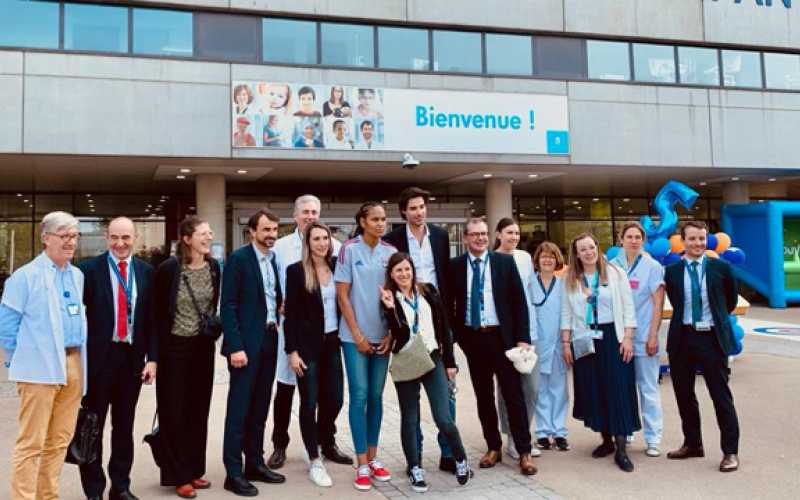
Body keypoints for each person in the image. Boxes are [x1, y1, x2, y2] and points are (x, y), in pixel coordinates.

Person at [0, 211, 87, 500]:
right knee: (32, 442)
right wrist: (20, 362)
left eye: (74, 236)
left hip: (73, 362)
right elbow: (7, 327)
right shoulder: (24, 277)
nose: (70, 242)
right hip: (38, 368)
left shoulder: (77, 276)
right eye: (64, 236)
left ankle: (48, 495)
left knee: (59, 440)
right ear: (46, 238)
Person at [447, 217, 537, 476]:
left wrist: (522, 338)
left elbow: (519, 302)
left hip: (502, 339)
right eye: (475, 234)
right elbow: (450, 306)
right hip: (474, 339)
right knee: (483, 397)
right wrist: (459, 338)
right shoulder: (455, 266)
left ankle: (524, 451)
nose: (480, 238)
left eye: (484, 234)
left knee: (514, 396)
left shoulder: (504, 263)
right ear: (465, 238)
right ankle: (493, 447)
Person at [78, 217, 157, 500]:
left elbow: (153, 321)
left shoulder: (147, 272)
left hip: (131, 360)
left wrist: (152, 359)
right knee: (93, 428)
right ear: (106, 238)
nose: (120, 243)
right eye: (114, 237)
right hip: (99, 360)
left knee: (124, 428)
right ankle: (94, 491)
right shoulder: (88, 270)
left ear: (135, 238)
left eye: (125, 237)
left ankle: (120, 486)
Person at [380, 253, 472, 493]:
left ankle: (460, 458)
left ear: (413, 270)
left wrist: (450, 363)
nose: (404, 274)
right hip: (407, 359)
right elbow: (399, 335)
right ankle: (415, 467)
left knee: (443, 417)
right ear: (391, 274)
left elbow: (444, 328)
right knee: (410, 418)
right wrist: (390, 309)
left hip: (432, 357)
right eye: (398, 271)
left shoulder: (428, 291)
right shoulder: (390, 298)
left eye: (407, 269)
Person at [268, 196, 348, 471]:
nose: (310, 216)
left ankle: (326, 441)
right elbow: (271, 280)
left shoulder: (335, 249)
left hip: (328, 337)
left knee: (330, 395)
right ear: (295, 215)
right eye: (305, 212)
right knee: (286, 389)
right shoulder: (281, 247)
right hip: (294, 332)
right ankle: (280, 444)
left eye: (315, 212)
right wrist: (277, 304)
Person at [383, 187, 455, 473]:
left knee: (445, 395)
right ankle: (416, 458)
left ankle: (449, 453)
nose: (419, 212)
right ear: (403, 212)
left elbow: (444, 275)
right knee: (410, 403)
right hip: (406, 321)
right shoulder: (392, 240)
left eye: (422, 207)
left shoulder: (440, 236)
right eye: (413, 208)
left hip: (434, 318)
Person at [664, 221, 740, 472]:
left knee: (720, 396)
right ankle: (693, 444)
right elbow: (676, 301)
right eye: (693, 239)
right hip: (683, 338)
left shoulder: (721, 268)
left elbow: (729, 301)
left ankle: (730, 452)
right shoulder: (672, 271)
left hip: (711, 338)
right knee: (684, 395)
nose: (698, 243)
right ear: (683, 241)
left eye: (701, 238)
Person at [560, 232, 640, 472]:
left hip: (613, 338)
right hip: (585, 338)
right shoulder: (570, 278)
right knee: (595, 389)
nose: (588, 252)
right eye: (582, 249)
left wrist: (628, 338)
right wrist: (566, 343)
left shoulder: (615, 273)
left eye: (591, 247)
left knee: (617, 389)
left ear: (597, 247)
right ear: (576, 254)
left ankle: (621, 448)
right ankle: (606, 440)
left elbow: (628, 307)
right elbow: (566, 313)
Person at [221, 209, 287, 497]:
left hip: (270, 338)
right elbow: (228, 305)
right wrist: (235, 346)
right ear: (252, 231)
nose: (271, 234)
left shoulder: (273, 260)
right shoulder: (239, 259)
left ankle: (255, 464)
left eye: (274, 229)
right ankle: (233, 472)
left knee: (260, 407)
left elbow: (269, 297)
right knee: (239, 410)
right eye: (266, 229)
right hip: (245, 346)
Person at [153, 216, 220, 498]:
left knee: (198, 410)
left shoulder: (214, 267)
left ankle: (194, 469)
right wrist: (153, 356)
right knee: (174, 412)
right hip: (174, 350)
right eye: (203, 234)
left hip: (203, 348)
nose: (208, 238)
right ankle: (177, 475)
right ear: (187, 238)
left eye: (210, 233)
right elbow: (157, 313)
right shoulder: (169, 269)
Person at [335, 201, 397, 491]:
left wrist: (391, 334)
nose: (380, 224)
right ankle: (361, 463)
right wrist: (357, 334)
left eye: (383, 219)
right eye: (375, 219)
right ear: (362, 222)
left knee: (376, 396)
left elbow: (396, 296)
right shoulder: (349, 249)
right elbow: (342, 295)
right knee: (359, 395)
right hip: (353, 337)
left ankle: (373, 458)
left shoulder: (390, 253)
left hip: (383, 337)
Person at [283, 222, 345, 487]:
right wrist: (292, 351)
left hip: (332, 343)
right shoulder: (296, 271)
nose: (322, 243)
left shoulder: (337, 266)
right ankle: (314, 458)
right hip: (307, 347)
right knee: (309, 403)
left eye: (325, 238)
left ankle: (324, 440)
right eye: (316, 239)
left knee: (336, 399)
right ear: (307, 243)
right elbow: (291, 315)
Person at [612, 222, 665, 458]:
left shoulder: (652, 266)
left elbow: (658, 303)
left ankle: (653, 438)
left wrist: (653, 335)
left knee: (648, 388)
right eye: (629, 237)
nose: (634, 241)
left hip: (644, 336)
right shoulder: (612, 266)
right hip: (620, 338)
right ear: (621, 239)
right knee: (623, 388)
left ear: (643, 240)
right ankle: (627, 430)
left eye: (638, 237)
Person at [492, 217, 541, 460]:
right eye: (509, 232)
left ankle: (523, 433)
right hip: (505, 334)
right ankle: (512, 437)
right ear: (498, 234)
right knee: (507, 390)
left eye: (517, 233)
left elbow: (529, 294)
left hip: (529, 332)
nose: (514, 237)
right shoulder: (492, 260)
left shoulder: (524, 258)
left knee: (532, 388)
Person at [531, 242, 570, 452]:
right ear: (537, 260)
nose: (547, 260)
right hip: (537, 344)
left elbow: (567, 314)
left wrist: (566, 342)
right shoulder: (529, 283)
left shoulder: (563, 284)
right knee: (540, 390)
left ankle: (560, 432)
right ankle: (543, 433)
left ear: (557, 260)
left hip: (558, 344)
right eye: (544, 256)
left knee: (559, 390)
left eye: (551, 257)